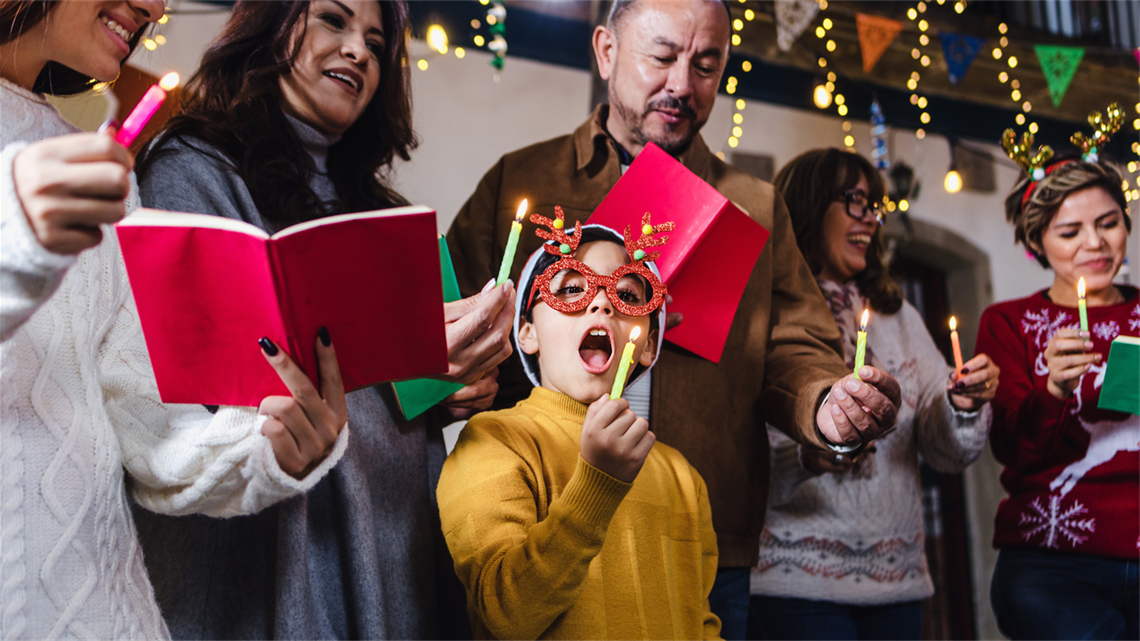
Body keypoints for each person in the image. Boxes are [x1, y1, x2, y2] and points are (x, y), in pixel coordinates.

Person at [445, 1, 903, 637]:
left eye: (707, 65)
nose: (683, 85)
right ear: (606, 51)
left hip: (697, 527)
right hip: (548, 510)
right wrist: (446, 376)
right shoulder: (522, 180)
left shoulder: (753, 206)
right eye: (661, 57)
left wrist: (826, 403)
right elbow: (448, 332)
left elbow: (796, 347)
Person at [132, 0, 514, 639]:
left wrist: (448, 384)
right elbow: (201, 400)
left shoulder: (385, 213)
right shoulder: (190, 172)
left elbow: (402, 399)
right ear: (271, 22)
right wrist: (390, 364)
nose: (360, 51)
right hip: (273, 546)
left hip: (394, 537)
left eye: (375, 41)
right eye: (334, 20)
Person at [1, 0, 351, 638]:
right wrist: (17, 244)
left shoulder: (91, 161)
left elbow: (148, 427)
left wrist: (264, 447)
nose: (155, 8)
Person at [747, 149, 999, 641]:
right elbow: (741, 451)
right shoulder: (767, 310)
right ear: (808, 205)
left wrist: (960, 406)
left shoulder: (897, 315)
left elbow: (946, 452)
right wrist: (811, 454)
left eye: (874, 205)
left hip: (896, 584)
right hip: (795, 585)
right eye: (854, 201)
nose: (870, 218)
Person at [439, 211, 721, 640]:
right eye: (571, 288)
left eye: (627, 295)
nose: (601, 303)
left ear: (647, 346)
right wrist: (597, 484)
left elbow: (700, 624)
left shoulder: (682, 477)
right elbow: (506, 616)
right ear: (527, 333)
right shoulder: (492, 442)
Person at [976, 149, 1138, 641]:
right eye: (1070, 233)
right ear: (1036, 242)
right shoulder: (1006, 323)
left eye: (1108, 223)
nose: (1095, 243)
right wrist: (1052, 391)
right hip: (1053, 564)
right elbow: (1012, 450)